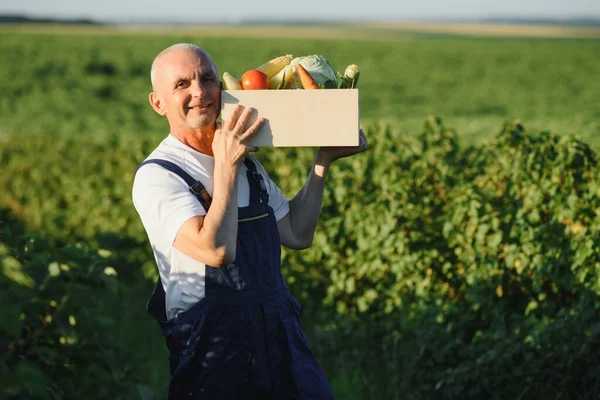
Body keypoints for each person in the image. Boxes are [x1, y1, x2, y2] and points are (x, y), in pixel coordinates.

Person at [132, 42, 368, 399]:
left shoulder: (248, 165)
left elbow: (297, 233)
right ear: (158, 103)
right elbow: (215, 251)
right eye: (182, 84)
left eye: (207, 79)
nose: (199, 91)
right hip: (215, 351)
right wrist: (226, 166)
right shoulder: (160, 176)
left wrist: (323, 161)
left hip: (281, 338)